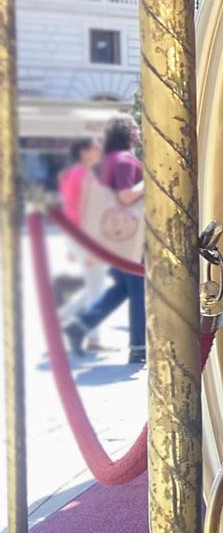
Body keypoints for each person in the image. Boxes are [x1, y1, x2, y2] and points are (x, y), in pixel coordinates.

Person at [63, 115, 146, 366]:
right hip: (129, 234)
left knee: (121, 287)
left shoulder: (108, 161)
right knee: (137, 290)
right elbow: (125, 196)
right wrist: (150, 181)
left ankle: (80, 326)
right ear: (127, 133)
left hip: (113, 235)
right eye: (135, 128)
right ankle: (138, 348)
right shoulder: (123, 161)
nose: (139, 131)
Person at [57, 138, 106, 349]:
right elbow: (87, 212)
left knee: (94, 285)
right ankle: (92, 336)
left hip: (76, 236)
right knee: (96, 287)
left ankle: (61, 317)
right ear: (85, 152)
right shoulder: (84, 176)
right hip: (86, 237)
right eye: (96, 147)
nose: (100, 150)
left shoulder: (70, 174)